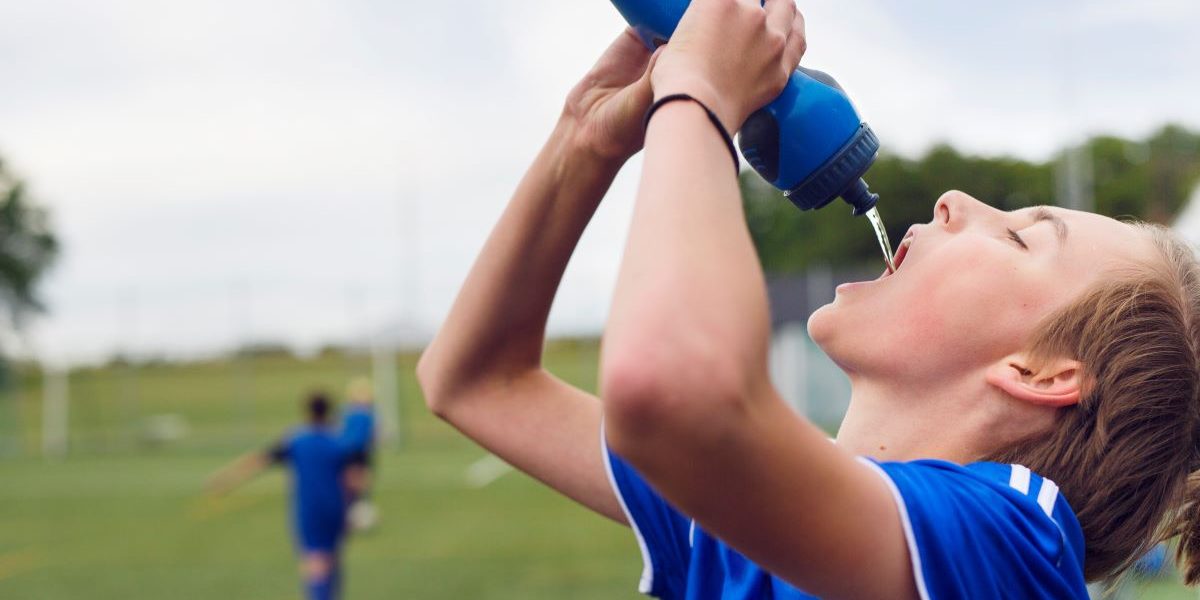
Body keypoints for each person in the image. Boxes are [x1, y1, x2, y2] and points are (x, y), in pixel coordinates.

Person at [417, 0, 1200, 598]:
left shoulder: (1014, 542)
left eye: (1021, 237)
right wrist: (585, 137)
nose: (956, 199)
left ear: (1041, 374)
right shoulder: (752, 513)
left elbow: (669, 388)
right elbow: (476, 381)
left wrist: (698, 97)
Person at [207, 390, 373, 600]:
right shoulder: (338, 441)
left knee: (316, 563)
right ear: (329, 412)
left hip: (310, 509)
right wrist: (353, 506)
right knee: (332, 559)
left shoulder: (296, 440)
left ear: (307, 412)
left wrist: (225, 479)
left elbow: (261, 460)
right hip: (335, 508)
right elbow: (356, 478)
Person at [341, 377, 379, 531]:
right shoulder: (365, 415)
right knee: (357, 485)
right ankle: (353, 516)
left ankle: (354, 514)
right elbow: (373, 435)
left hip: (353, 453)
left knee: (354, 486)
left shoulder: (347, 413)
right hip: (358, 453)